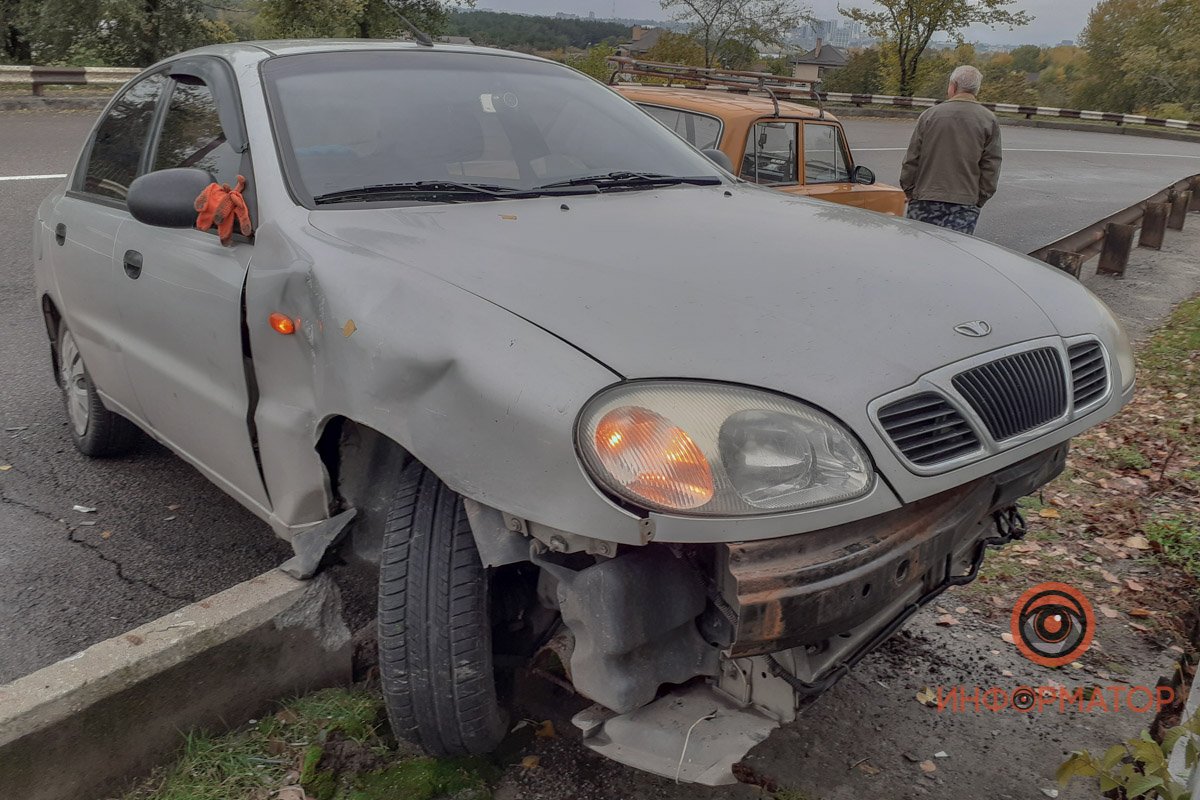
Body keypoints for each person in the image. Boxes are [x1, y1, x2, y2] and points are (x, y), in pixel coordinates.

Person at [900, 65, 1002, 235]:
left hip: (925, 199)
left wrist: (909, 190)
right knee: (954, 249)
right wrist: (979, 199)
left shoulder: (929, 116)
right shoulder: (988, 120)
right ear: (976, 90)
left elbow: (912, 159)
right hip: (965, 204)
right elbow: (991, 167)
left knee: (919, 247)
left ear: (953, 86)